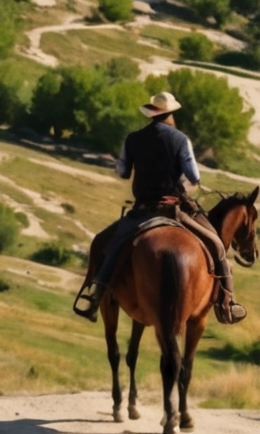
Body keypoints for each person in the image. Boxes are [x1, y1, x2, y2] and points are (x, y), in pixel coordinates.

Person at [74, 92, 244, 324]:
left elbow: (123, 172)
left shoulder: (133, 139)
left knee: (109, 245)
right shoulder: (181, 139)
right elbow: (194, 176)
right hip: (174, 209)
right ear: (170, 114)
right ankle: (228, 303)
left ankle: (94, 297)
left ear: (152, 114)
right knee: (216, 246)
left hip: (142, 210)